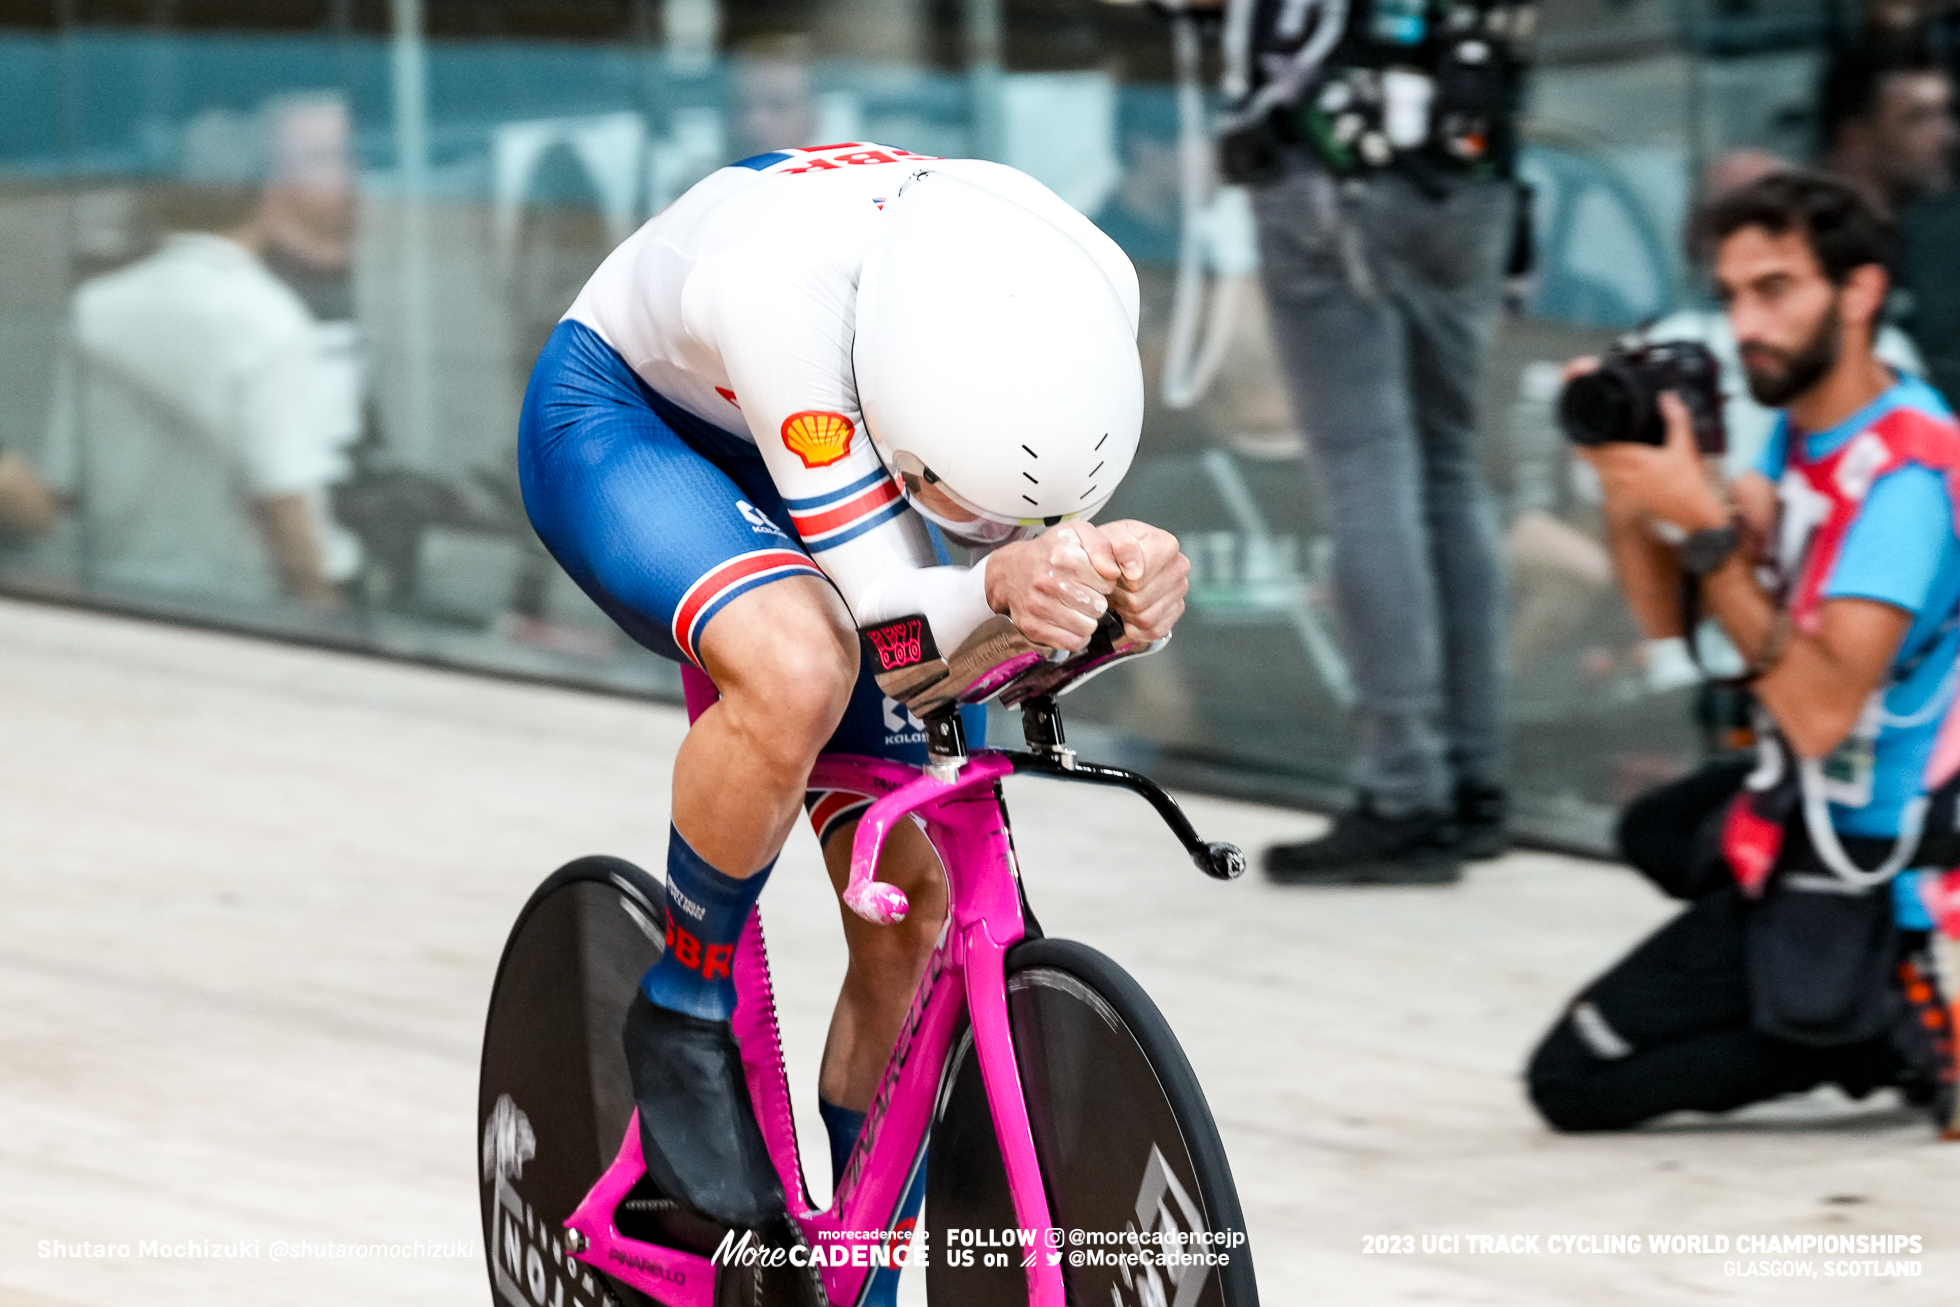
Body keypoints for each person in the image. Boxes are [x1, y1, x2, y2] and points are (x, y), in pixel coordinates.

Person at [517, 142, 1189, 1285]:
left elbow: (1010, 558)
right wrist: (995, 587)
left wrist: (1122, 584)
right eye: (957, 508)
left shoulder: (1085, 277)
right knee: (797, 661)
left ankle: (855, 1269)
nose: (976, 526)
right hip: (634, 422)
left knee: (913, 908)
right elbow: (887, 608)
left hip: (840, 452)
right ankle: (682, 1005)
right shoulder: (775, 290)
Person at [1526, 171, 1958, 1137]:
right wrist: (1626, 481)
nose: (1746, 322)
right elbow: (1666, 625)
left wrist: (1708, 529)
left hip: (1866, 840)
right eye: (1731, 296)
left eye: (1775, 290)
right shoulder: (1811, 428)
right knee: (1653, 829)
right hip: (1793, 791)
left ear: (1859, 292)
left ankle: (1873, 1023)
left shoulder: (1906, 489)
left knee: (1572, 1079)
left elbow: (1814, 713)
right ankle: (1792, 964)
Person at [1221, 0, 1533, 884]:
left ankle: (1404, 792)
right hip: (1473, 159)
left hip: (1333, 157)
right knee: (1444, 464)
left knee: (1368, 468)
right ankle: (1471, 779)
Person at [42, 98, 361, 612]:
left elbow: (60, 490)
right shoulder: (270, 322)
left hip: (111, 595)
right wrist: (325, 608)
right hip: (235, 612)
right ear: (265, 198)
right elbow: (282, 497)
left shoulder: (94, 307)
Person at [1819, 39, 1956, 217]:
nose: (1949, 136)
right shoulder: (1798, 236)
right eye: (1918, 118)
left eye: (1946, 113)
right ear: (1852, 139)